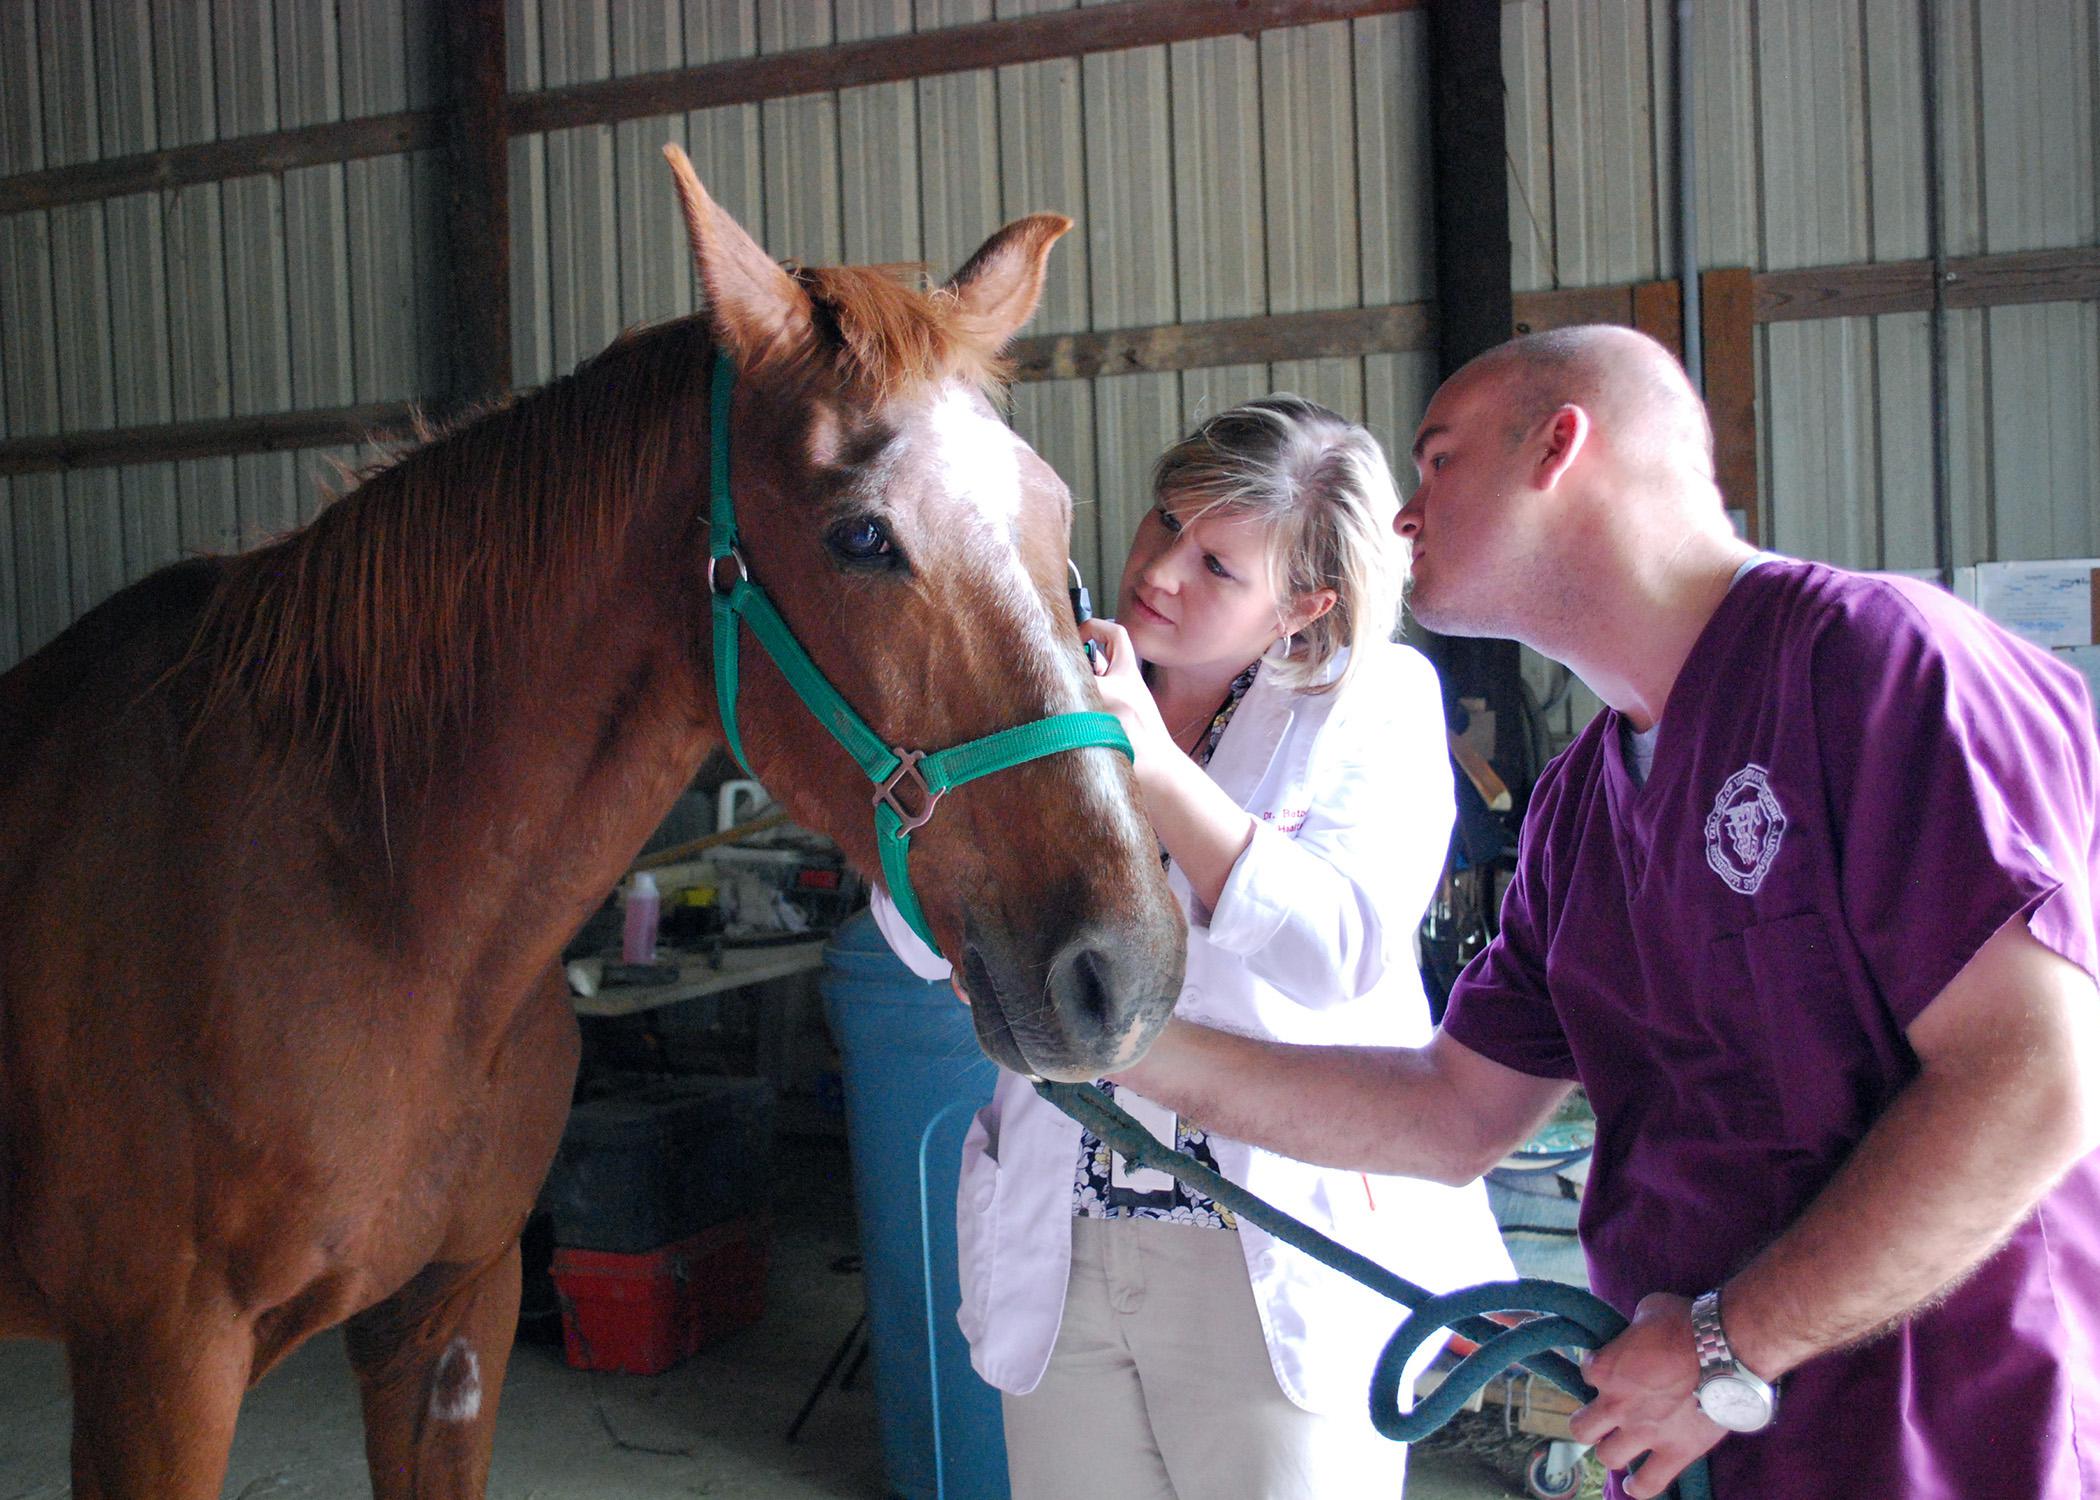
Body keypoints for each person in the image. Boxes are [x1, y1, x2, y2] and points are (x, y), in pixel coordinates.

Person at [1116, 326, 2100, 1500]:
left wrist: (1732, 1344)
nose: (1403, 518)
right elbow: (1450, 1113)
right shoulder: (1583, 805)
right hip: (1706, 1437)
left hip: (1958, 1436)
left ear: (1559, 446)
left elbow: (2038, 1079)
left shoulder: (1877, 663)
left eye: (1438, 463)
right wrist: (1120, 1044)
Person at [872, 396, 1512, 1500]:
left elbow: (1338, 953)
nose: (1160, 568)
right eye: (1165, 523)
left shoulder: (1371, 703)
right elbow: (930, 950)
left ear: (1300, 608)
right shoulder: (1039, 691)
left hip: (1264, 1254)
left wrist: (1152, 765)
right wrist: (918, 814)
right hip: (1065, 1247)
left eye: (1219, 566)